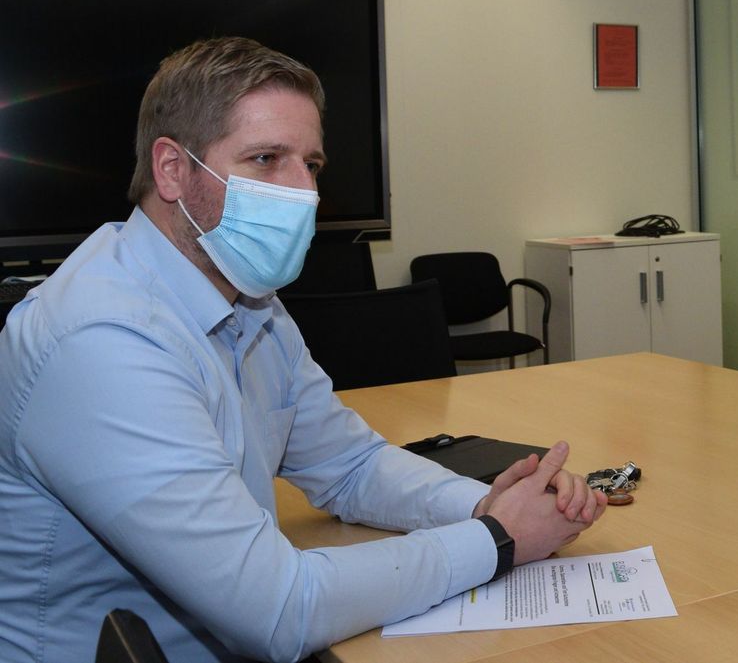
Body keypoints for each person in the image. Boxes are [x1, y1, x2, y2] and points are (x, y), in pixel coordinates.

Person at [0, 37, 606, 663]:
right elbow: (278, 610)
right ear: (172, 170)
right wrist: (498, 539)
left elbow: (350, 465)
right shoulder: (100, 341)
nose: (303, 192)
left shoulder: (249, 299)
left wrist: (481, 503)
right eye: (266, 158)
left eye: (310, 164)